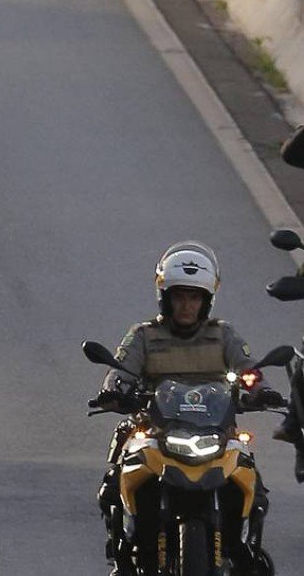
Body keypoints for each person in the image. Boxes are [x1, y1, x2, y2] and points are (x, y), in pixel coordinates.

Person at [92, 242, 282, 574]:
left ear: (206, 300)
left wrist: (261, 391)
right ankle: (123, 550)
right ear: (165, 296)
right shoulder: (144, 336)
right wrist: (113, 390)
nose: (186, 305)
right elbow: (119, 371)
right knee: (113, 478)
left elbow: (250, 370)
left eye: (194, 297)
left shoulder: (223, 335)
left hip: (216, 432)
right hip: (155, 430)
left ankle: (243, 550)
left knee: (254, 482)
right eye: (180, 296)